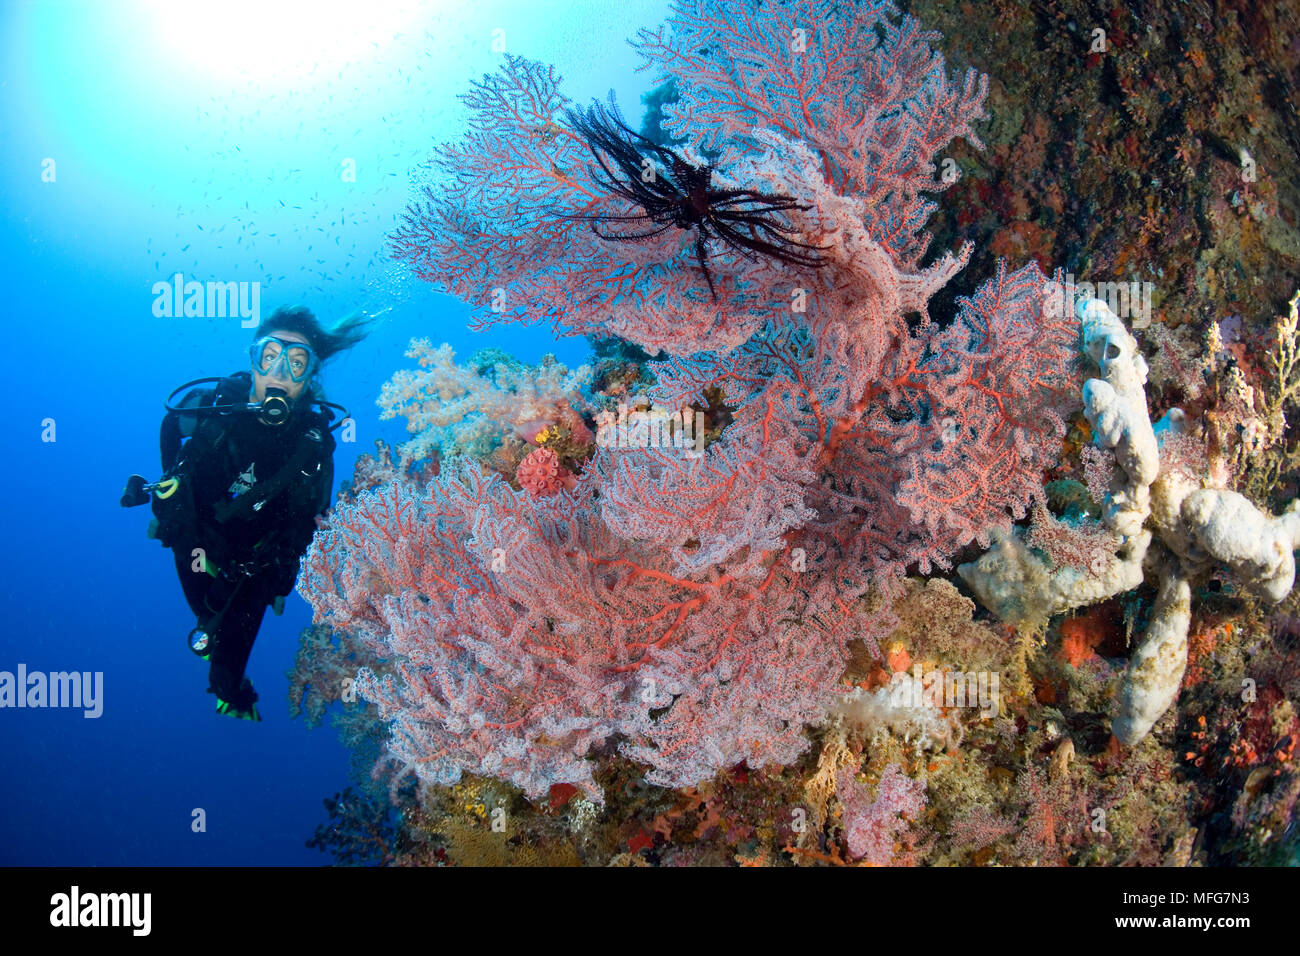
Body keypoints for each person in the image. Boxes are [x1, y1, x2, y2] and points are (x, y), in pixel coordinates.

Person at [141, 306, 367, 720]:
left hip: (254, 566)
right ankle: (226, 678)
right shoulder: (215, 409)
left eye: (297, 364)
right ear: (253, 361)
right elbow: (171, 429)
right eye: (270, 357)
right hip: (195, 539)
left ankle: (233, 693)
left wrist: (282, 572)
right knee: (207, 625)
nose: (280, 372)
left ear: (309, 379)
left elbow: (311, 518)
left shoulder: (312, 443)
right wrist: (169, 491)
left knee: (226, 671)